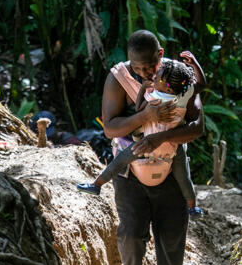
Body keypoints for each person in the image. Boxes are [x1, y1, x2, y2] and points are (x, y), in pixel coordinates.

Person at [100, 30, 204, 265]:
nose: (144, 72)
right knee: (131, 232)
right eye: (138, 67)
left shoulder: (177, 76)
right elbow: (110, 127)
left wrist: (163, 137)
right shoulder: (118, 78)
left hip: (169, 168)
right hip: (130, 171)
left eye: (149, 67)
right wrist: (145, 118)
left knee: (171, 238)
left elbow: (197, 127)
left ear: (161, 55)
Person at [77, 56, 206, 219]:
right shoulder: (184, 95)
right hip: (172, 148)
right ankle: (193, 208)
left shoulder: (154, 97)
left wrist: (143, 89)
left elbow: (139, 109)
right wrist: (195, 64)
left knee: (120, 160)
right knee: (184, 178)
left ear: (165, 85)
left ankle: (96, 185)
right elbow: (201, 84)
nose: (153, 77)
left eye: (157, 77)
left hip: (146, 146)